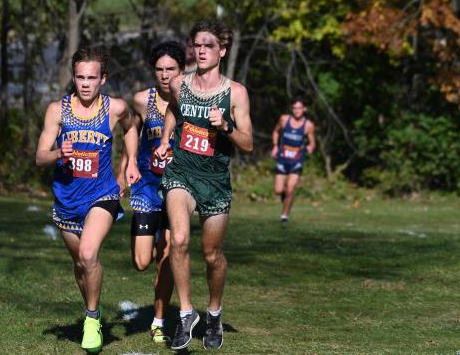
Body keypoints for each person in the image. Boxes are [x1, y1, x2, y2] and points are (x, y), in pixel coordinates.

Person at [155, 19, 253, 350]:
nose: (201, 50)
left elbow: (248, 143)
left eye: (208, 45)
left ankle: (213, 313)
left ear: (221, 50)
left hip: (215, 180)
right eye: (197, 44)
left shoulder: (235, 92)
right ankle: (185, 314)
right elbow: (172, 109)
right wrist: (167, 139)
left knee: (212, 255)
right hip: (181, 172)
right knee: (178, 239)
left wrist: (226, 125)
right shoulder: (180, 84)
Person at [35, 45, 140, 353]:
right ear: (74, 77)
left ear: (102, 79)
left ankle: (92, 318)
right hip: (67, 201)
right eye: (80, 77)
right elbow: (39, 157)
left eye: (91, 78)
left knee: (90, 254)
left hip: (102, 195)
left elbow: (131, 127)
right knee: (81, 264)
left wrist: (130, 161)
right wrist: (57, 153)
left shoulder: (115, 108)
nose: (84, 83)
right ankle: (90, 307)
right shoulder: (57, 110)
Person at [118, 41, 185, 344]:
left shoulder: (191, 102)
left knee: (169, 255)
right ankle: (154, 240)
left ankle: (158, 321)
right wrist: (124, 171)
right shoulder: (141, 101)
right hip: (146, 186)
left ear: (181, 70)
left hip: (177, 188)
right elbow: (130, 135)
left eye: (171, 68)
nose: (165, 74)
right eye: (159, 69)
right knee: (142, 262)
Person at [271, 97, 315, 222]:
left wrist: (310, 147)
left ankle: (284, 216)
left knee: (290, 188)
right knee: (279, 191)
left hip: (296, 161)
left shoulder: (308, 125)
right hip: (282, 159)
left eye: (299, 108)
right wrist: (275, 146)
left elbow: (312, 142)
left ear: (304, 109)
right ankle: (285, 197)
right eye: (294, 108)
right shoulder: (284, 120)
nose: (296, 111)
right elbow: (275, 132)